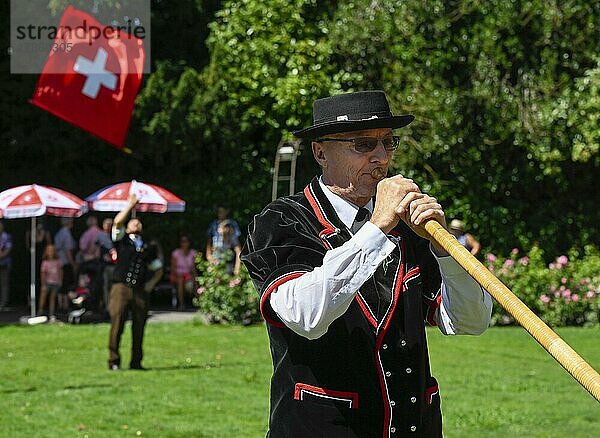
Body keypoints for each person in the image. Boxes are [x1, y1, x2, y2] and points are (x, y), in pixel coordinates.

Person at [241, 90, 493, 437]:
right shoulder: (281, 221)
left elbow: (471, 321)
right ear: (321, 152)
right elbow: (306, 316)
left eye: (388, 143)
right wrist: (377, 227)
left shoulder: (409, 227)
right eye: (363, 145)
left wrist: (444, 250)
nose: (381, 158)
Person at [107, 195, 163, 371]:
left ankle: (136, 362)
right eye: (133, 222)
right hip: (121, 287)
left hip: (140, 290)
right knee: (117, 324)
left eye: (139, 222)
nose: (136, 224)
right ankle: (114, 360)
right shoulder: (121, 241)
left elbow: (158, 268)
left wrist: (151, 284)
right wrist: (129, 205)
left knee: (139, 326)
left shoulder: (148, 246)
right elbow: (116, 223)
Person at [54, 217, 77, 312]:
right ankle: (64, 306)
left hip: (59, 261)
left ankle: (61, 304)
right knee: (65, 284)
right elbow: (68, 251)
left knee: (61, 283)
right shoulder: (66, 233)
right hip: (65, 262)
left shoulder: (59, 233)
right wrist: (73, 264)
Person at [170, 235, 198, 310]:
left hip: (188, 275)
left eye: (186, 241)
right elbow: (173, 267)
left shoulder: (193, 253)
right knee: (180, 280)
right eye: (183, 242)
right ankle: (181, 303)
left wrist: (194, 277)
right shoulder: (176, 253)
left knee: (195, 279)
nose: (184, 243)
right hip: (177, 274)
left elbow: (193, 267)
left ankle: (198, 301)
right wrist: (178, 274)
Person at [38, 244, 62, 322]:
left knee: (52, 298)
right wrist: (43, 284)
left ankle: (52, 313)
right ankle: (40, 311)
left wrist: (60, 280)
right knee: (43, 297)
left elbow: (61, 271)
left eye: (52, 250)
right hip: (47, 282)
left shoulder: (58, 261)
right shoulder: (45, 262)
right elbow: (42, 273)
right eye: (49, 251)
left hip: (56, 282)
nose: (50, 252)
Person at [96, 218, 116, 312]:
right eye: (107, 225)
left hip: (114, 265)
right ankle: (106, 306)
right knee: (105, 286)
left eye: (110, 225)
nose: (108, 227)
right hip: (104, 265)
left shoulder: (115, 236)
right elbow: (95, 248)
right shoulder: (100, 235)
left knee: (113, 287)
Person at [0, 221, 13, 311]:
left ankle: (3, 303)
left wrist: (1, 255)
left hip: (4, 263)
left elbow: (8, 249)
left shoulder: (6, 236)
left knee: (4, 284)